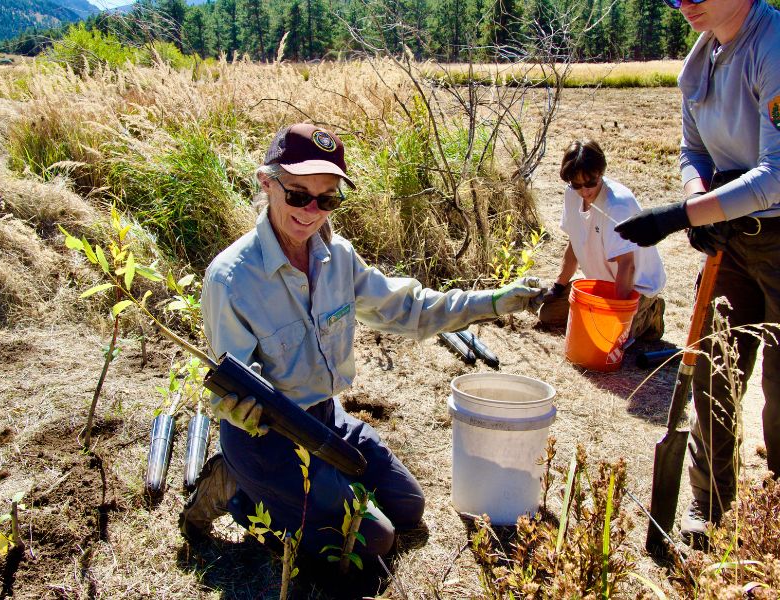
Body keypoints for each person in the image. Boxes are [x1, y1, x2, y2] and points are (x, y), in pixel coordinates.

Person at [178, 123, 544, 561]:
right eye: (297, 194)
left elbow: (410, 309)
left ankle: (295, 491)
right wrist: (242, 411)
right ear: (266, 182)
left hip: (325, 420)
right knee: (371, 541)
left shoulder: (338, 258)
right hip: (268, 440)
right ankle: (239, 489)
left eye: (327, 199)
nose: (311, 211)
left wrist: (495, 301)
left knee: (409, 507)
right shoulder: (231, 278)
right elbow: (234, 385)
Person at [614, 0, 780, 548]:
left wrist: (681, 215)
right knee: (714, 374)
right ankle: (710, 506)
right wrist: (697, 193)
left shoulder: (771, 46)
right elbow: (692, 150)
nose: (684, 3)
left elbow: (777, 177)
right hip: (732, 242)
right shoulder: (702, 57)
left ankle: (772, 517)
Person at [538, 139, 667, 342]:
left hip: (634, 287)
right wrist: (558, 287)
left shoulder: (617, 205)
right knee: (548, 315)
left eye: (590, 183)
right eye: (577, 185)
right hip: (602, 284)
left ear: (601, 173)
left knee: (610, 337)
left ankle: (650, 311)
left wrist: (618, 316)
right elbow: (574, 244)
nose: (585, 191)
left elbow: (627, 265)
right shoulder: (572, 195)